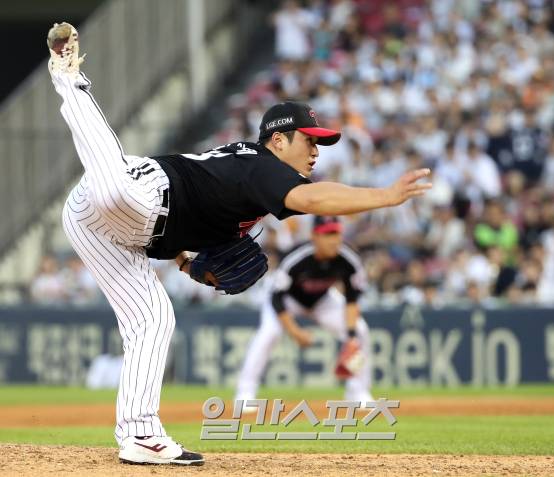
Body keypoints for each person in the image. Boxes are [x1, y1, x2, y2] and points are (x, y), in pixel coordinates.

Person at [47, 22, 431, 466]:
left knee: (152, 321)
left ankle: (139, 434)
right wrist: (384, 195)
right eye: (310, 141)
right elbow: (310, 198)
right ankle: (68, 75)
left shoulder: (250, 193)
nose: (316, 152)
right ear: (279, 139)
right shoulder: (261, 165)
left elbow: (187, 246)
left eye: (319, 144)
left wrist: (192, 267)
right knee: (112, 186)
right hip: (140, 192)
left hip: (113, 230)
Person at [235, 216, 372, 407]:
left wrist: (350, 337)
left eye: (336, 233)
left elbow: (352, 299)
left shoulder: (347, 258)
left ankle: (358, 391)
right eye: (327, 234)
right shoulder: (297, 257)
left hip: (323, 300)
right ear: (315, 236)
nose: (333, 239)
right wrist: (295, 332)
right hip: (287, 301)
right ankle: (245, 391)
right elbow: (277, 298)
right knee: (269, 334)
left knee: (360, 331)